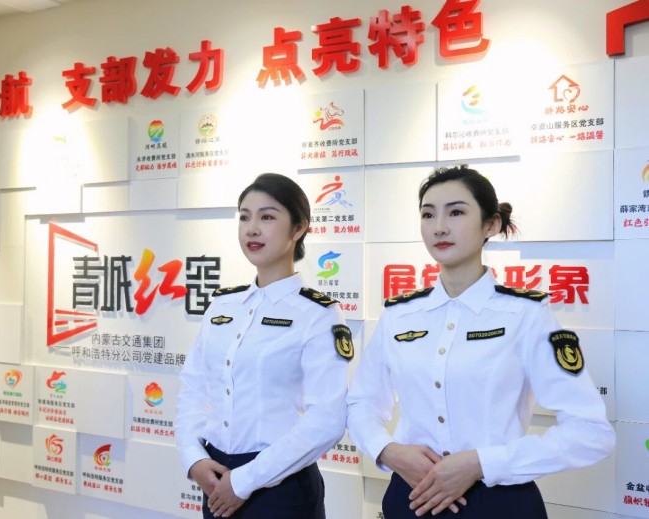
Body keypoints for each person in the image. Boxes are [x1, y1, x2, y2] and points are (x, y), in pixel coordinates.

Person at [346, 165, 615, 518]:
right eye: (428, 214)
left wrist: (483, 463)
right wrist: (387, 450)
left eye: (456, 212)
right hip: (412, 496)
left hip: (499, 502)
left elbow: (590, 432)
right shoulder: (399, 315)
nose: (439, 226)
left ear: (491, 224)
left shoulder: (525, 314)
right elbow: (362, 402)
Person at [176, 172, 352, 519]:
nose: (252, 229)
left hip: (280, 484)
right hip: (215, 477)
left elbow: (327, 418)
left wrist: (245, 480)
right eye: (244, 217)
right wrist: (193, 458)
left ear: (298, 228)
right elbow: (193, 389)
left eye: (267, 217)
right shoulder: (223, 306)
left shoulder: (318, 314)